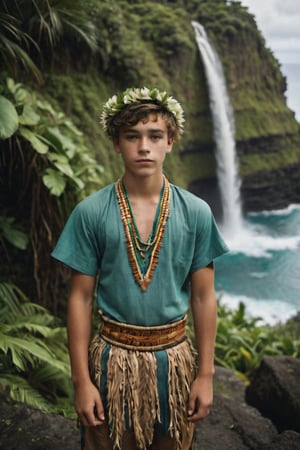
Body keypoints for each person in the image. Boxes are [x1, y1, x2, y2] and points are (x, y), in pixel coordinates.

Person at [51, 86, 229, 450]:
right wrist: (82, 382)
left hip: (174, 362)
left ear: (171, 141)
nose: (143, 146)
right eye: (132, 136)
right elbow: (81, 299)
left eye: (155, 136)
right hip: (109, 363)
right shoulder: (91, 212)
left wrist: (205, 375)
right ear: (116, 143)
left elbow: (203, 295)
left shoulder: (195, 212)